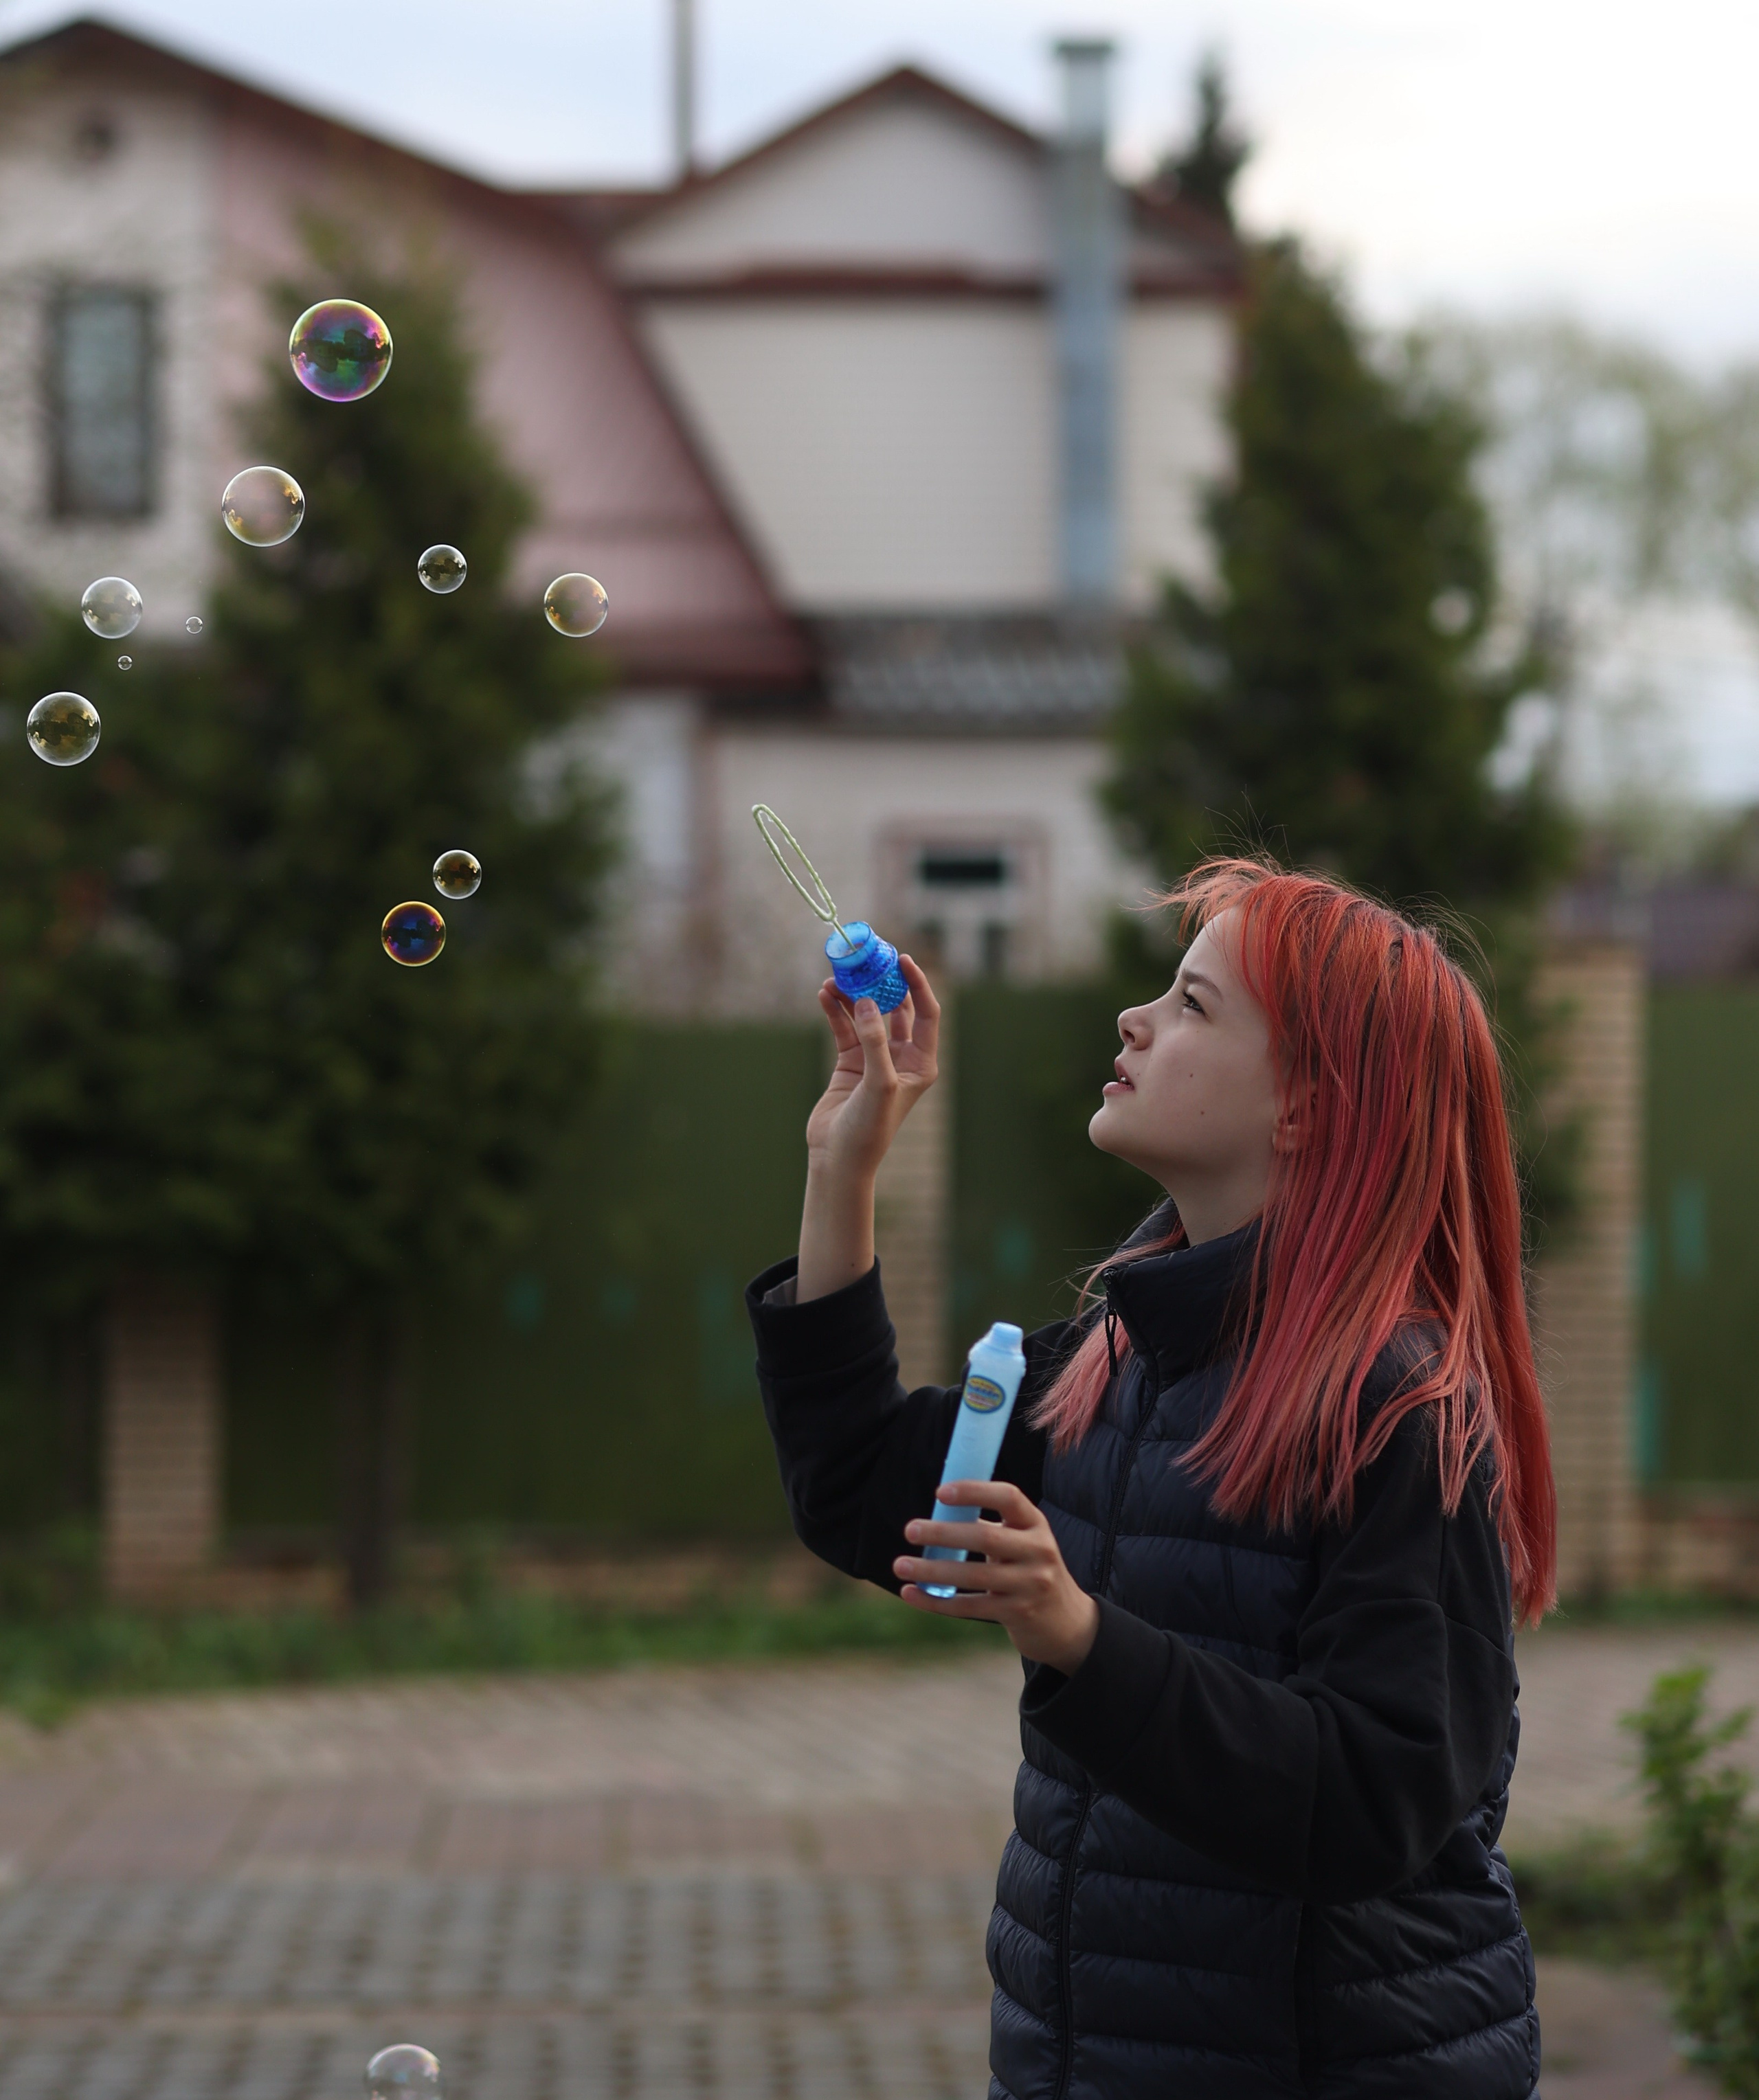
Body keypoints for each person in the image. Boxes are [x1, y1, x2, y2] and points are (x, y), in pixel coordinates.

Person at [746, 856, 1555, 2100]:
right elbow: (858, 1489)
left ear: (1305, 1109)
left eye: (1191, 1004)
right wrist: (841, 1169)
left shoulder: (1398, 1409)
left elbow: (1377, 1798)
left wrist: (1080, 1636)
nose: (1134, 1018)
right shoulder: (1113, 1355)